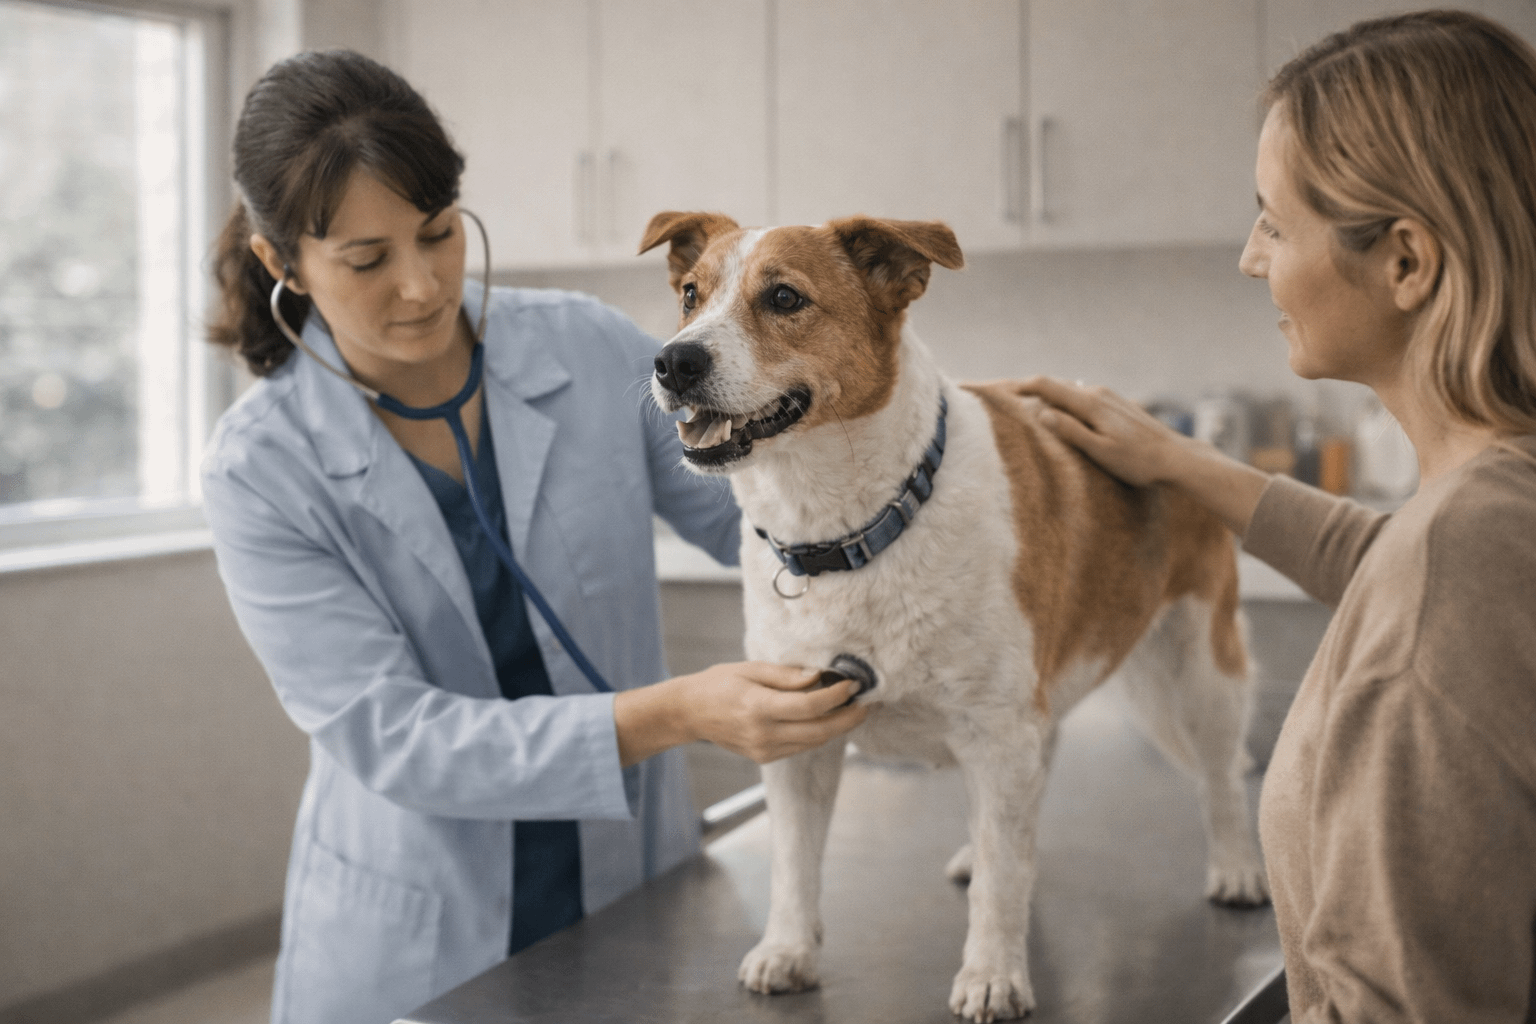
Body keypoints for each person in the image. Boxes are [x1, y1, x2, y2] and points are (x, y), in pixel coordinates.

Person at [202, 50, 867, 1024]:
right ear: (280, 263)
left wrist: (941, 457)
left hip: (631, 888)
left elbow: (760, 525)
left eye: (437, 234)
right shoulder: (259, 470)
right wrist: (678, 712)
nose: (423, 286)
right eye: (367, 259)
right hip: (417, 933)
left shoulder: (586, 348)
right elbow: (396, 739)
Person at [1019, 11, 1536, 1022]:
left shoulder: (1447, 583)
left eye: (1274, 221)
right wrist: (1181, 463)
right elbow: (1389, 558)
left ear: (1406, 263)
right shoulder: (1497, 504)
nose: (1252, 260)